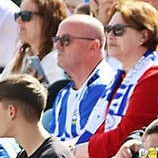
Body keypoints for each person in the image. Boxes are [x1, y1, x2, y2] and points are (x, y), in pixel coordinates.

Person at [77, 0, 158, 158]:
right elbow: (102, 128)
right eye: (108, 29)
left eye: (118, 30)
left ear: (143, 35)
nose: (110, 35)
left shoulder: (155, 75)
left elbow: (125, 133)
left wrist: (75, 151)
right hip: (109, 157)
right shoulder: (120, 77)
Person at [46, 14, 112, 147]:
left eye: (66, 40)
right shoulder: (63, 93)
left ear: (93, 46)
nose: (57, 46)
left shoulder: (104, 88)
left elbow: (89, 146)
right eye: (56, 39)